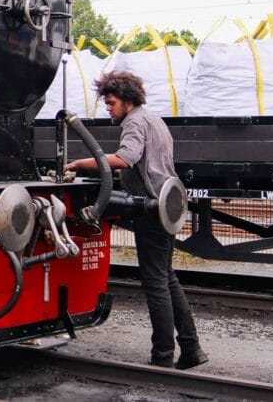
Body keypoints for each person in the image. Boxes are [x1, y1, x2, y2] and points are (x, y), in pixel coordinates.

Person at [63, 71, 208, 370]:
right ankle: (192, 349)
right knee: (167, 278)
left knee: (156, 283)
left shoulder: (134, 122)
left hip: (151, 208)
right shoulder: (154, 119)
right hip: (167, 204)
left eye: (112, 102)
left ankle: (162, 357)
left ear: (128, 100)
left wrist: (79, 164)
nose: (108, 108)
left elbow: (125, 158)